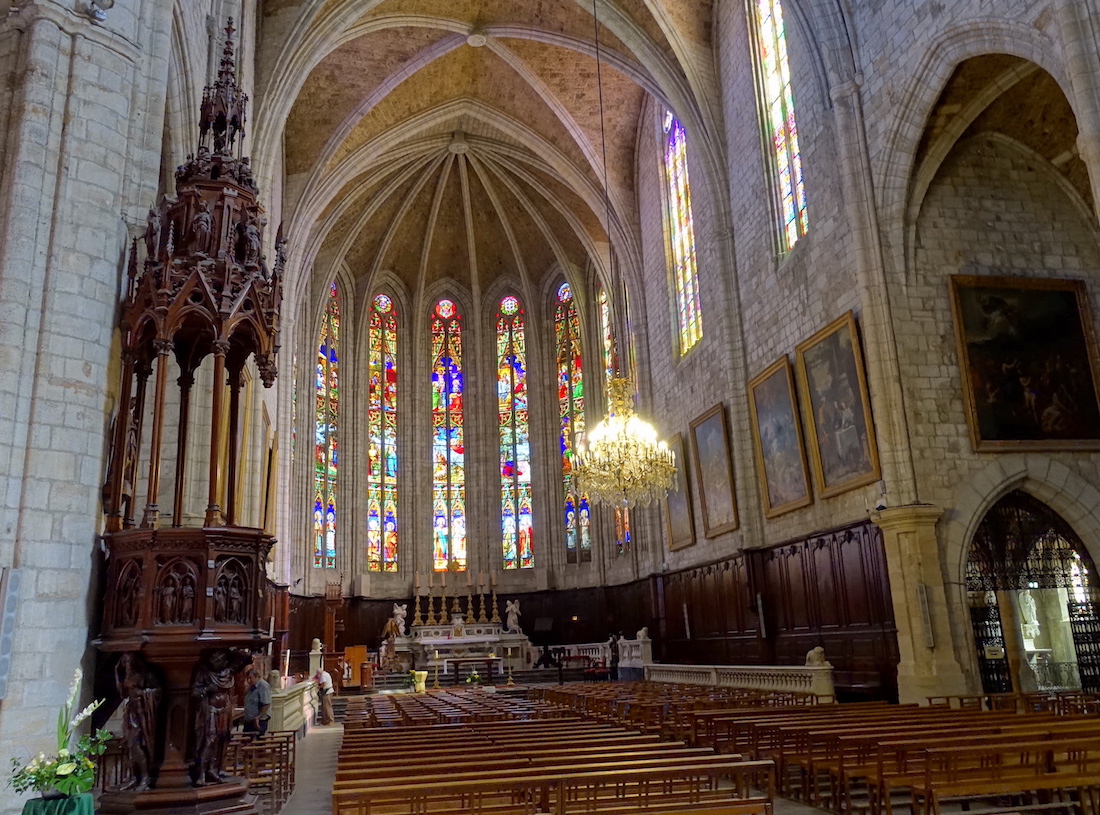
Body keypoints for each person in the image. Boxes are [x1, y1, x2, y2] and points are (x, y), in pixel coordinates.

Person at [242, 667, 271, 738]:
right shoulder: (251, 687)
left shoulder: (263, 686)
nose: (248, 681)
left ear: (257, 676)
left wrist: (258, 717)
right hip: (249, 720)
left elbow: (266, 704)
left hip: (258, 721)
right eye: (247, 679)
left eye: (250, 678)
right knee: (246, 741)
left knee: (257, 742)